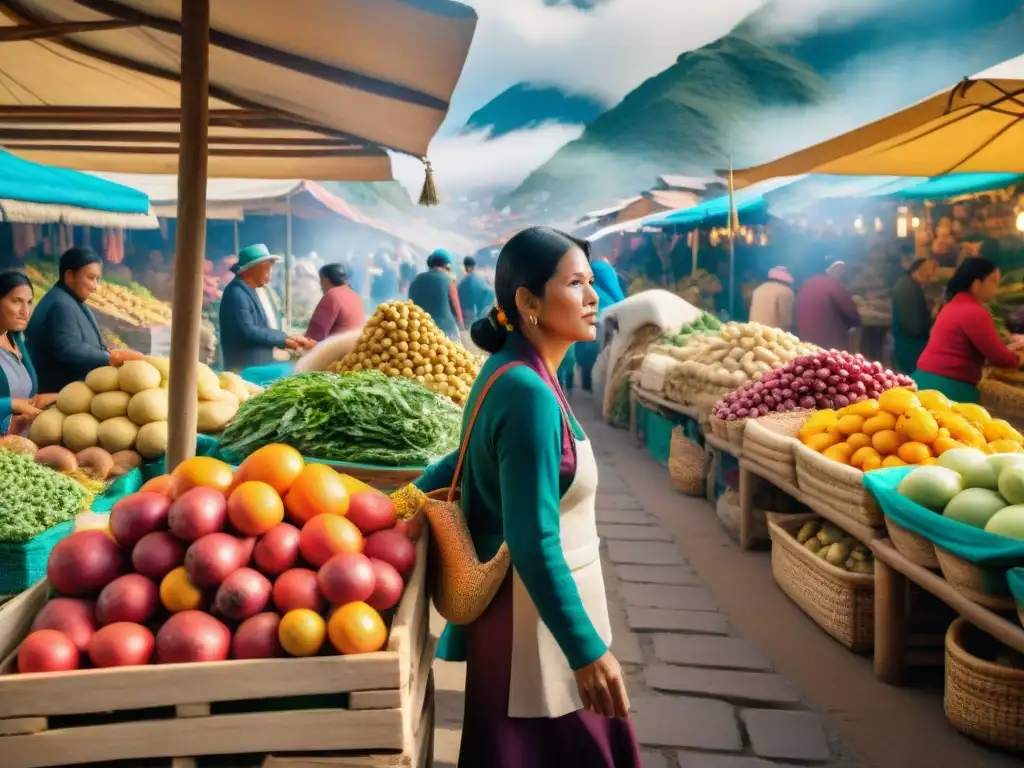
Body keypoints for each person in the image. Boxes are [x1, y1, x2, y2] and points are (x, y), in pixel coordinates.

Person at [405, 227, 640, 767]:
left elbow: (456, 461)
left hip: (525, 614)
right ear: (528, 302)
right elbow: (532, 539)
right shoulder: (527, 392)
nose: (592, 297)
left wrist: (396, 503)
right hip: (531, 624)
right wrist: (586, 652)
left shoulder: (516, 371)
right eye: (575, 283)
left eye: (590, 281)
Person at [26, 247, 143, 393]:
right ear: (69, 276)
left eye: (97, 279)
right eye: (90, 278)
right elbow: (68, 348)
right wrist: (110, 357)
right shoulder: (61, 305)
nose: (95, 286)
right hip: (59, 395)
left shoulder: (69, 299)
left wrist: (107, 351)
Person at [914, 258, 1024, 403]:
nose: (997, 287)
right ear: (976, 284)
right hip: (948, 387)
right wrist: (1019, 358)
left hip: (926, 379)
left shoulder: (954, 304)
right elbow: (999, 357)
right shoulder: (974, 311)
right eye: (993, 281)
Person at [219, 243, 313, 372]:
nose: (270, 272)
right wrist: (284, 340)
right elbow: (249, 331)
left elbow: (261, 327)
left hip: (257, 364)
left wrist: (287, 338)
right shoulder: (237, 293)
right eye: (267, 268)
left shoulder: (249, 290)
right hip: (246, 368)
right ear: (253, 269)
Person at [0, 271, 57, 435]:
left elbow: (28, 395)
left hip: (22, 439)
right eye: (17, 301)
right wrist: (13, 405)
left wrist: (61, 397)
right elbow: (16, 402)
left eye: (29, 302)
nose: (25, 311)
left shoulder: (16, 337)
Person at [563, 258, 625, 393]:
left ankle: (585, 381)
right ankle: (593, 384)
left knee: (585, 350)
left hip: (585, 320)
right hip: (604, 320)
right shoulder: (605, 273)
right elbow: (617, 294)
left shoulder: (581, 282)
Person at [796, 261, 861, 350]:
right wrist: (857, 321)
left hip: (806, 340)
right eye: (840, 271)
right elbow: (849, 310)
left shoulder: (806, 283)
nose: (841, 274)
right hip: (829, 342)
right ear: (834, 270)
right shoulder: (832, 285)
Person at [891, 256, 939, 374]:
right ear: (916, 270)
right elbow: (913, 327)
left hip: (907, 346)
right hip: (910, 348)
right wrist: (932, 316)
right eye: (928, 273)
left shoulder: (908, 284)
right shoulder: (907, 288)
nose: (930, 277)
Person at [408, 249, 465, 341]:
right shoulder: (448, 281)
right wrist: (461, 327)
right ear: (448, 265)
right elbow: (456, 308)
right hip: (444, 332)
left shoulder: (416, 280)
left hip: (418, 331)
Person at [305, 263, 367, 342]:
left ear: (325, 280)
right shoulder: (355, 295)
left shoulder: (332, 295)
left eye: (320, 281)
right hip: (356, 347)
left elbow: (314, 336)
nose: (320, 287)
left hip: (339, 351)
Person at [749, 266, 796, 331]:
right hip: (774, 336)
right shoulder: (786, 291)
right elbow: (787, 321)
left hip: (755, 333)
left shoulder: (758, 289)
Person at [457, 256, 495, 328]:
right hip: (482, 311)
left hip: (470, 312)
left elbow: (460, 296)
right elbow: (489, 293)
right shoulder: (481, 279)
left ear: (466, 267)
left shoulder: (465, 281)